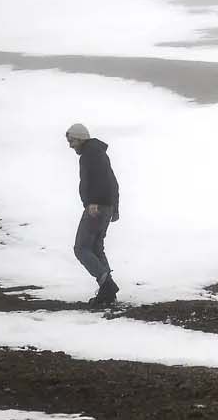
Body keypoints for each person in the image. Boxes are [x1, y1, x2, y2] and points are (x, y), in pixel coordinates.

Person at [65, 123, 120, 305]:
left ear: (81, 138)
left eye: (72, 140)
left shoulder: (91, 154)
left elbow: (103, 181)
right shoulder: (98, 153)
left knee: (81, 248)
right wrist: (115, 207)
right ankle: (108, 291)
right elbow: (113, 182)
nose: (70, 145)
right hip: (105, 207)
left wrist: (93, 202)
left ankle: (107, 286)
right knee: (96, 248)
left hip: (96, 208)